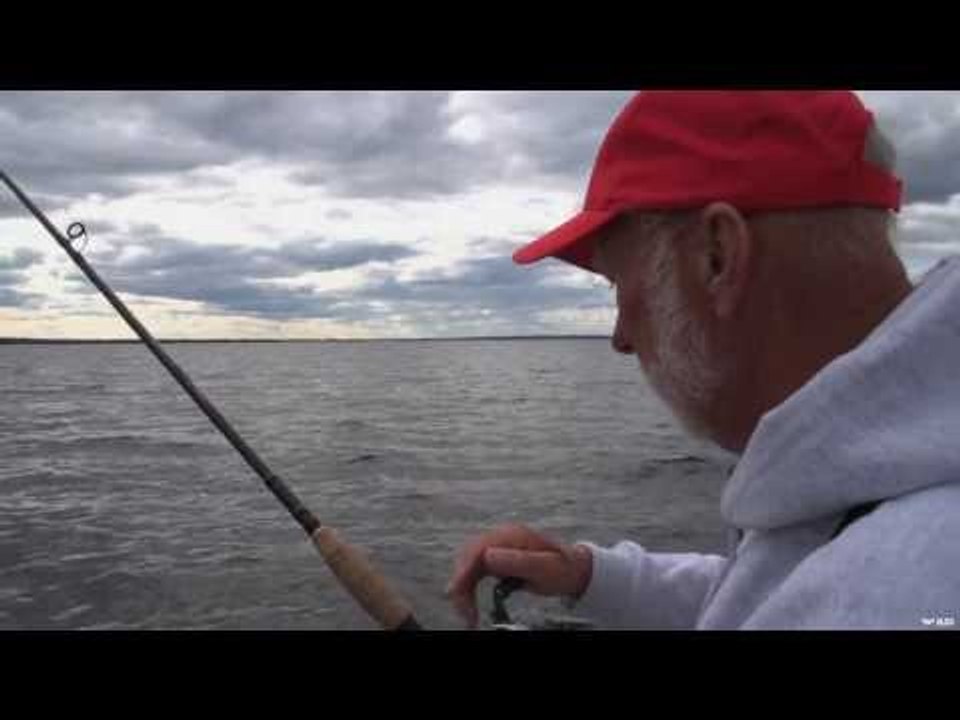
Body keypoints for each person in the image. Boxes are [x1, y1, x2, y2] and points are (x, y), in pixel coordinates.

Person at [445, 91, 960, 630]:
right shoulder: (878, 504)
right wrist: (587, 575)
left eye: (622, 284)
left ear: (718, 257)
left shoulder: (898, 590)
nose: (620, 338)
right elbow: (768, 586)